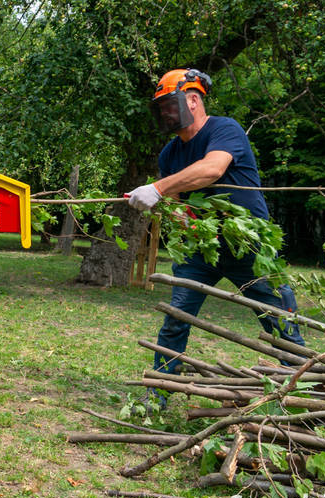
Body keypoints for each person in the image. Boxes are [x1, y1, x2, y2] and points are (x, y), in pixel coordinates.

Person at [126, 68, 305, 407]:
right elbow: (176, 207)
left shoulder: (224, 130)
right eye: (160, 108)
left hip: (249, 245)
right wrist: (178, 218)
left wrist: (157, 187)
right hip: (200, 252)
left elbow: (213, 169)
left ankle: (300, 392)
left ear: (192, 100)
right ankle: (159, 395)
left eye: (169, 105)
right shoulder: (170, 154)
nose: (164, 113)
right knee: (176, 320)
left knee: (280, 319)